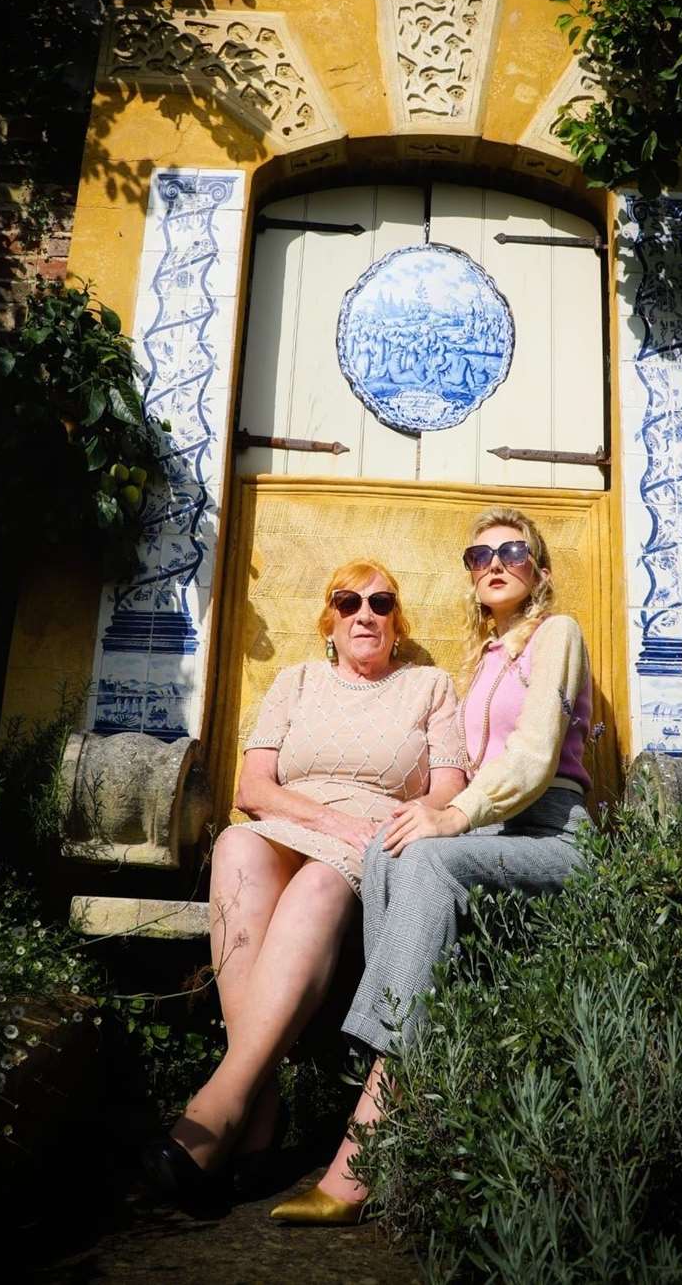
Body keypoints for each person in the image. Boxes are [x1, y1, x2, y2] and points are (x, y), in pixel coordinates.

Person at [271, 506, 593, 1225]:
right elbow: (454, 770)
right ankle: (406, 1079)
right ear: (472, 577)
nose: (496, 563)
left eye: (513, 551)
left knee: (428, 865)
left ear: (538, 569)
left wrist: (452, 818)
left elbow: (535, 756)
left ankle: (369, 1132)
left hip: (555, 835)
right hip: (496, 835)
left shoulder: (557, 635)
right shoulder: (481, 663)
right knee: (393, 854)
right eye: (479, 557)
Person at [142, 558, 466, 1211]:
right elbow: (251, 789)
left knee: (319, 887)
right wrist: (327, 819)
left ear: (397, 623)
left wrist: (373, 833)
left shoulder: (430, 686)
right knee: (235, 840)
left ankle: (223, 1106)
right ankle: (259, 1111)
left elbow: (446, 795)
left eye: (380, 603)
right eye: (349, 602)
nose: (365, 614)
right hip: (296, 825)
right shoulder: (295, 682)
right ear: (331, 621)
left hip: (368, 843)